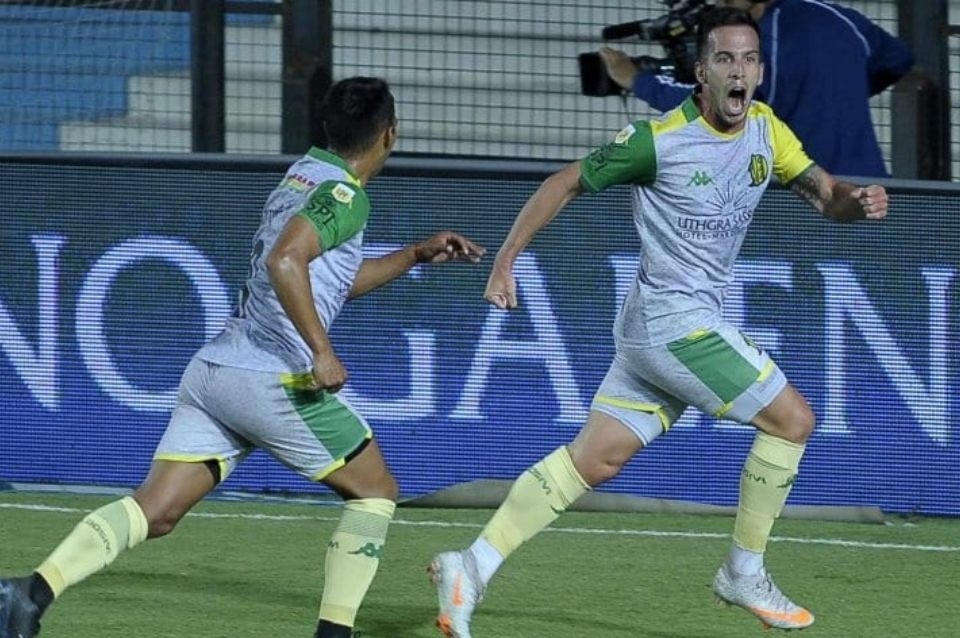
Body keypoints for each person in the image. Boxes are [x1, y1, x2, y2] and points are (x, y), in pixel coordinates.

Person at [430, 7, 887, 637]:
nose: (738, 71)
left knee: (594, 461)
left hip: (659, 328)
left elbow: (825, 196)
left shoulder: (766, 129)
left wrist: (856, 204)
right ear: (701, 72)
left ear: (760, 71)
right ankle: (743, 571)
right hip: (675, 325)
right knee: (793, 420)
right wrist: (506, 261)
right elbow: (564, 183)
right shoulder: (659, 140)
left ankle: (470, 566)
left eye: (749, 59)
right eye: (724, 59)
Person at [0, 76, 485, 638]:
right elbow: (286, 261)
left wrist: (415, 254)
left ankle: (28, 595)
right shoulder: (346, 195)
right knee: (376, 489)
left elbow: (325, 280)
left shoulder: (305, 174)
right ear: (390, 134)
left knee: (156, 510)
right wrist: (321, 352)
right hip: (273, 379)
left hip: (218, 372)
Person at [598, 0, 914, 178]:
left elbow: (718, 106)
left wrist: (637, 80)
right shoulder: (838, 17)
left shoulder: (760, 43)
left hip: (800, 199)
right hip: (871, 189)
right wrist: (841, 93)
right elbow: (898, 58)